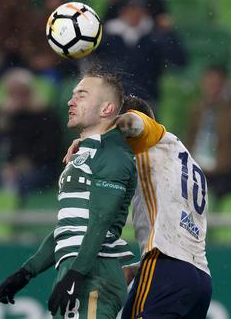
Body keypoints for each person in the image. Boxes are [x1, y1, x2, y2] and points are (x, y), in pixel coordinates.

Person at [0, 68, 137, 319]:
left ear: (106, 109)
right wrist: (27, 271)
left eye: (82, 95)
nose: (71, 101)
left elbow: (100, 222)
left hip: (95, 272)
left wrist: (76, 274)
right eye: (72, 95)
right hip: (76, 269)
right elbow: (69, 226)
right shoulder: (81, 156)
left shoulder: (113, 155)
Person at [65, 95, 212, 318]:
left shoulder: (149, 135)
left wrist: (97, 137)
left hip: (165, 270)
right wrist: (135, 270)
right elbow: (178, 244)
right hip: (198, 280)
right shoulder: (183, 161)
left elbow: (131, 122)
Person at [92, 0, 186, 111]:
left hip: (145, 101)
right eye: (130, 9)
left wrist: (168, 32)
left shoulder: (155, 37)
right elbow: (89, 54)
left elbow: (179, 60)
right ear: (122, 11)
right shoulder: (108, 35)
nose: (134, 14)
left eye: (139, 10)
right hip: (113, 101)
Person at [0, 68, 62, 197]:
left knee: (23, 184)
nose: (17, 97)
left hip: (40, 167)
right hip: (10, 168)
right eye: (13, 93)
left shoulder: (45, 115)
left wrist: (24, 163)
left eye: (22, 92)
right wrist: (2, 115)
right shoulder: (7, 115)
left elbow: (49, 148)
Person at [186, 65, 231, 200]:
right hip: (198, 169)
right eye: (208, 83)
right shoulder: (197, 110)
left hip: (226, 172)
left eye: (215, 84)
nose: (211, 88)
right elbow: (190, 138)